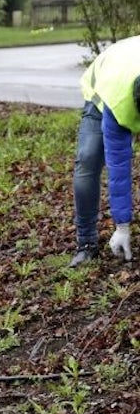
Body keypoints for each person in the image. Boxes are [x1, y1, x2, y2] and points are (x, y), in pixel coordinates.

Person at [70, 36, 140, 267]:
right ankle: (87, 244)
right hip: (102, 94)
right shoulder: (117, 102)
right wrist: (122, 226)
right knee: (88, 157)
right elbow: (118, 167)